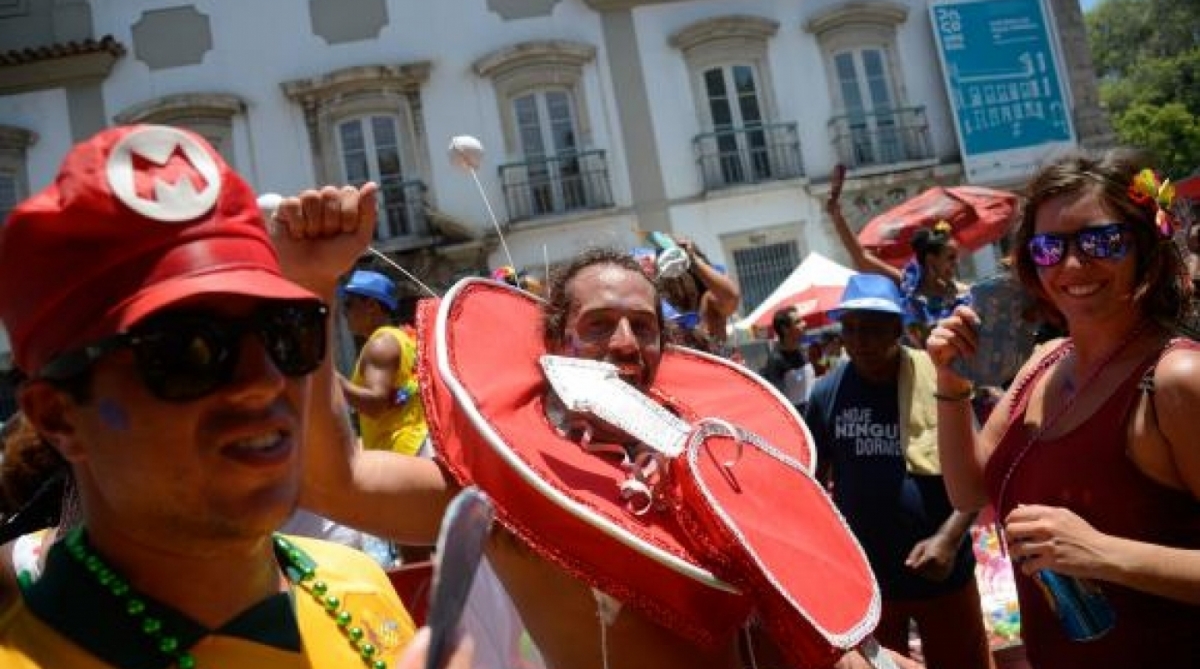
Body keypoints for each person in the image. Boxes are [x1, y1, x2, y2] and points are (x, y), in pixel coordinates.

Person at [299, 236, 919, 668]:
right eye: (598, 325)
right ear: (555, 341)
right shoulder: (510, 483)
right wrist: (313, 288)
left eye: (642, 326)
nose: (623, 343)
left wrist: (874, 660)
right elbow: (336, 484)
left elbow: (792, 608)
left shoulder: (716, 467)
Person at [0, 124, 431, 668]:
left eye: (284, 332)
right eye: (189, 351)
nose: (264, 380)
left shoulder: (356, 584)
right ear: (59, 417)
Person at [928, 149, 1200, 668]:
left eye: (1102, 241)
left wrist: (1104, 554)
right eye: (1049, 248)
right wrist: (951, 380)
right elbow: (968, 490)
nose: (1073, 265)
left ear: (1145, 247)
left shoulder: (1175, 379)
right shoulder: (1043, 362)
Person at [804, 274, 993, 669]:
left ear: (897, 329)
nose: (860, 341)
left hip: (943, 573)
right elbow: (812, 489)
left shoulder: (943, 379)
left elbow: (978, 470)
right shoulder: (826, 394)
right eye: (851, 329)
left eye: (873, 329)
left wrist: (947, 539)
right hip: (870, 585)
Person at [825, 167, 969, 347]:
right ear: (931, 259)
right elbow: (861, 257)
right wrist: (837, 217)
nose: (956, 263)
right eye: (950, 258)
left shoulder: (961, 293)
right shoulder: (905, 285)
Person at [339, 269, 429, 457]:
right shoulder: (405, 338)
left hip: (401, 452)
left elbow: (375, 404)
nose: (345, 312)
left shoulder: (381, 344)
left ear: (372, 306)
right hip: (419, 445)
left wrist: (332, 380)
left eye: (349, 304)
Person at [655, 236, 742, 354]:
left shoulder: (709, 303)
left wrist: (693, 260)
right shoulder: (660, 308)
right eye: (669, 277)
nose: (675, 284)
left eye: (681, 276)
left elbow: (731, 297)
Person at [759, 305, 817, 413]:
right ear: (785, 329)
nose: (804, 324)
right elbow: (776, 401)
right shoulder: (776, 360)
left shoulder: (802, 352)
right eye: (798, 322)